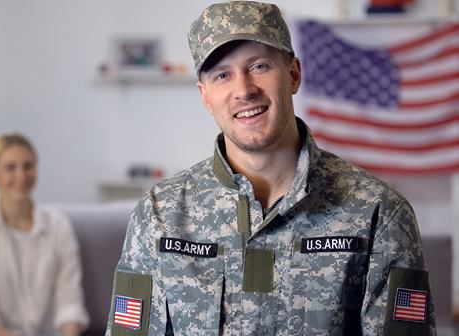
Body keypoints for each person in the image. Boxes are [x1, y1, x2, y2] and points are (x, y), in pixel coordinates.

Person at [106, 2, 435, 335]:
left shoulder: (378, 215)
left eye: (259, 66)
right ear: (206, 97)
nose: (244, 90)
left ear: (293, 75)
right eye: (222, 74)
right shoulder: (158, 215)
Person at [0, 133, 89, 336]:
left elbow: (69, 303)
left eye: (28, 166)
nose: (21, 176)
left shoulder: (59, 227)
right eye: (10, 167)